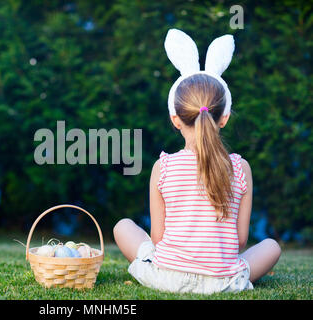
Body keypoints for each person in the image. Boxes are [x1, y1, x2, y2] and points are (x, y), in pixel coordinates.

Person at [113, 29, 281, 294]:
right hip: (223, 282)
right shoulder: (240, 167)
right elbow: (239, 241)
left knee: (123, 227)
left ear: (175, 119)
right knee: (271, 246)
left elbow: (157, 238)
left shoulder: (163, 167)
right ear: (224, 118)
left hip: (167, 277)